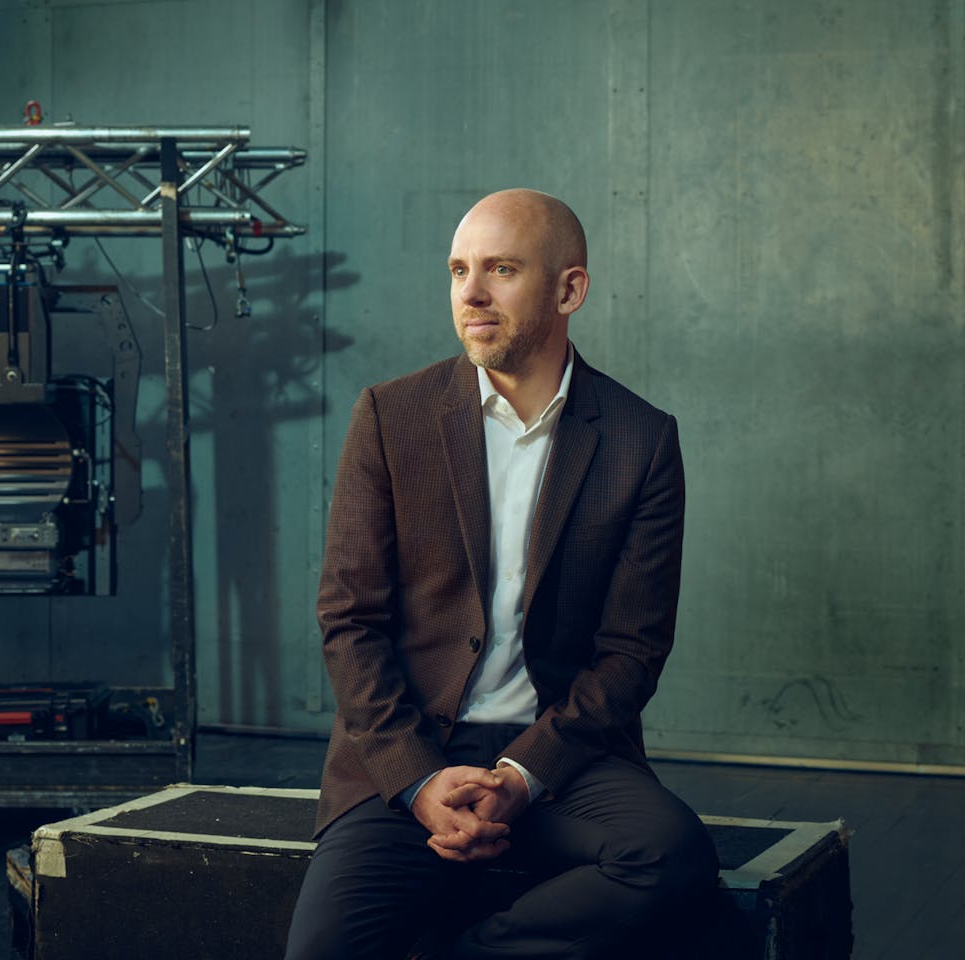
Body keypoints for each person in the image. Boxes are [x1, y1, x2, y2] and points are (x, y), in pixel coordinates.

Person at [284, 189, 718, 960]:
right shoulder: (391, 416)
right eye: (458, 271)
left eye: (501, 269)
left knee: (671, 856)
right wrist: (419, 781)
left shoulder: (639, 440)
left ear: (569, 290)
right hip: (406, 747)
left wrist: (521, 775)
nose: (471, 293)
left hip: (560, 753)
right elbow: (350, 622)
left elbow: (632, 651)